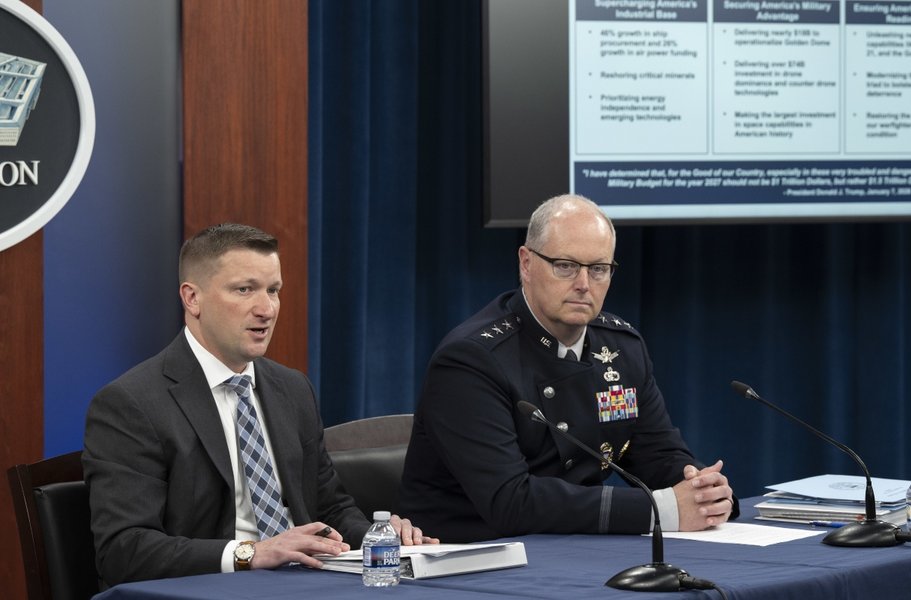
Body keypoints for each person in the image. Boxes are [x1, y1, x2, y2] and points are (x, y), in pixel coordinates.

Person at [83, 223, 435, 586]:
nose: (266, 309)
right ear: (192, 298)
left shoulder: (293, 388)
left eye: (273, 290)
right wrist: (250, 553)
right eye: (244, 290)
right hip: (210, 587)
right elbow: (123, 550)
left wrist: (383, 541)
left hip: (306, 583)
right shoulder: (132, 404)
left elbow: (330, 508)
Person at [397, 195, 736, 542]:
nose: (583, 284)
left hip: (571, 543)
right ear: (526, 264)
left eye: (598, 269)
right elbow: (510, 502)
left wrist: (701, 490)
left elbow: (657, 453)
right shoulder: (471, 360)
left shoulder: (622, 347)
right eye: (565, 265)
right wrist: (661, 509)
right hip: (470, 554)